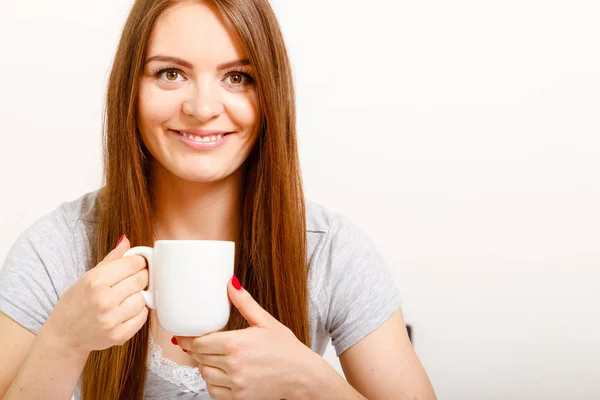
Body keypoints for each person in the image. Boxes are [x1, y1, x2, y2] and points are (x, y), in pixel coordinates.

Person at [0, 0, 436, 399]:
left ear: (270, 96)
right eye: (171, 73)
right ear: (129, 89)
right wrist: (62, 342)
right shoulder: (57, 248)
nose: (203, 107)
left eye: (237, 77)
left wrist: (313, 382)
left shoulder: (328, 250)